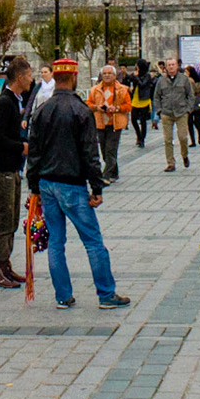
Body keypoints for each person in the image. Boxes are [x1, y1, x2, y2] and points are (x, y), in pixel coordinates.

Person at [25, 58, 129, 309]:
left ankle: (63, 295)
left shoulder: (42, 109)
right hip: (72, 184)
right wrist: (97, 187)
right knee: (92, 240)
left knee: (56, 242)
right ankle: (106, 294)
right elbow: (90, 154)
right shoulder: (81, 110)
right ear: (73, 78)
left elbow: (34, 153)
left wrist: (34, 187)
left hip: (48, 183)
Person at [0, 56, 35, 287]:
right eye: (29, 75)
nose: (32, 80)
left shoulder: (15, 100)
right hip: (1, 169)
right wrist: (21, 146)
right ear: (20, 77)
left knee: (12, 220)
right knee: (3, 221)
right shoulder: (4, 102)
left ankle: (5, 265)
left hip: (12, 168)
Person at [85, 64, 131, 183]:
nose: (106, 75)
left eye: (109, 73)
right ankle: (114, 173)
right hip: (100, 123)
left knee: (111, 149)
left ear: (115, 75)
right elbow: (88, 104)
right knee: (104, 150)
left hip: (115, 124)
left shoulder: (122, 89)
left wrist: (116, 108)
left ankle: (105, 175)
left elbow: (128, 106)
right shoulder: (95, 90)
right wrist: (96, 107)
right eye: (104, 73)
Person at [151, 57, 197, 171]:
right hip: (166, 112)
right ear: (165, 67)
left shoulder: (184, 79)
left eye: (173, 65)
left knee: (183, 137)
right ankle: (171, 163)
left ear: (177, 66)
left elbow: (190, 95)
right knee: (167, 139)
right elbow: (156, 97)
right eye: (169, 65)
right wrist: (159, 110)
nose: (171, 67)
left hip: (181, 112)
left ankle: (184, 155)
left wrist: (188, 109)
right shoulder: (161, 81)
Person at [129, 58, 154, 148]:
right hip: (135, 99)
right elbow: (129, 79)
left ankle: (142, 139)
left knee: (143, 121)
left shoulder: (147, 76)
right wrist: (133, 76)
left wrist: (136, 77)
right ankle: (138, 135)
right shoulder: (136, 74)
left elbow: (142, 84)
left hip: (144, 100)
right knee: (133, 119)